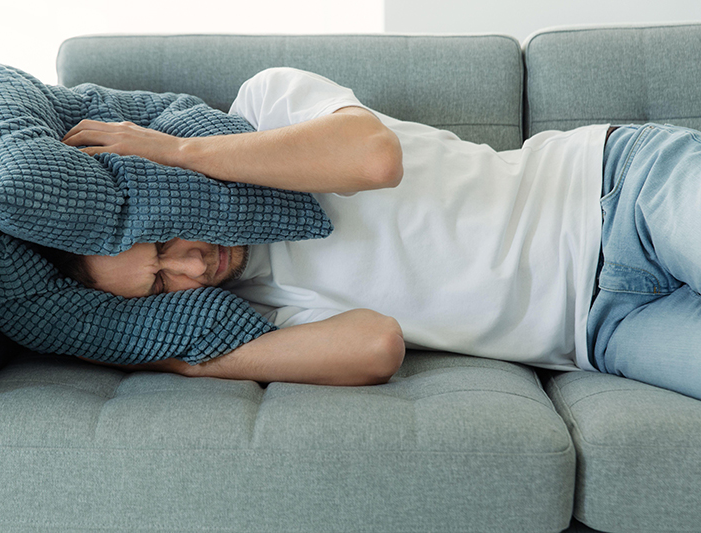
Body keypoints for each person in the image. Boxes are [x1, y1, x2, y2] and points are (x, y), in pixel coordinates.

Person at [58, 67, 701, 399]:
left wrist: (176, 152)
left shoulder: (262, 106)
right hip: (604, 331)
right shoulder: (246, 312)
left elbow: (373, 159)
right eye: (162, 286)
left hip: (617, 190)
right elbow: (375, 347)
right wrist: (175, 356)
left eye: (164, 244)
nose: (192, 269)